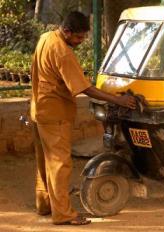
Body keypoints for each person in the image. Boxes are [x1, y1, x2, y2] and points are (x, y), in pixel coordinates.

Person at [30, 11, 136, 225]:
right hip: (55, 115)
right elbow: (85, 88)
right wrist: (118, 101)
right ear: (66, 31)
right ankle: (63, 214)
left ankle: (45, 204)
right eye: (79, 37)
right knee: (60, 165)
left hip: (38, 110)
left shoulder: (45, 38)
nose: (82, 41)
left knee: (45, 162)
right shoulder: (63, 53)